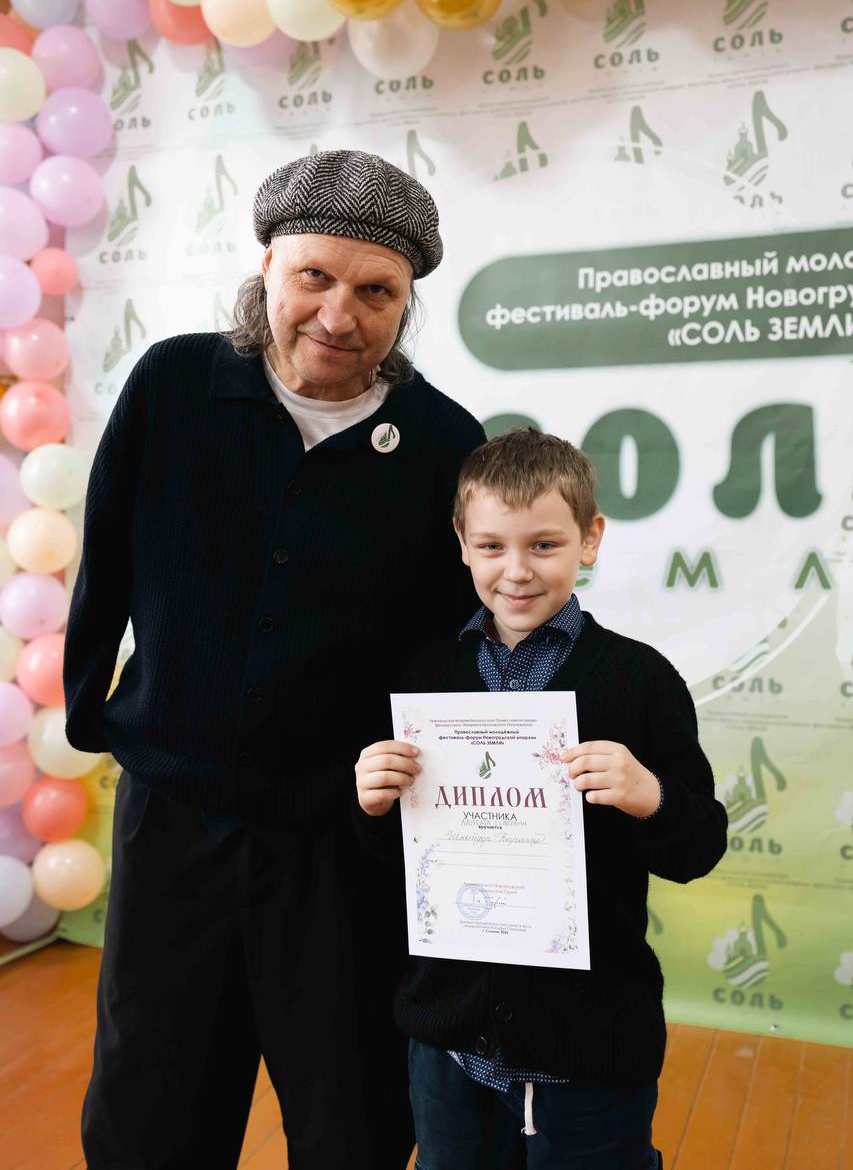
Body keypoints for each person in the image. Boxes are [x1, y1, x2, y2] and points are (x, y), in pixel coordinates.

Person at [63, 149, 485, 1170]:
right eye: (314, 277)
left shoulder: (443, 441)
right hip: (174, 817)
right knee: (150, 1107)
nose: (339, 315)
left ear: (406, 303)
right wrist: (89, 705)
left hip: (342, 839)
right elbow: (105, 548)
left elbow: (451, 646)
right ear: (267, 268)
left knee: (350, 1112)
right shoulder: (173, 382)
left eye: (376, 292)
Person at [355, 428, 728, 1170]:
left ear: (590, 539)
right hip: (450, 1043)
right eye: (491, 546)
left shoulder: (639, 680)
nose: (517, 571)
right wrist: (371, 806)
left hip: (589, 1047)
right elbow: (395, 859)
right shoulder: (424, 676)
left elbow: (700, 846)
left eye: (544, 545)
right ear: (461, 544)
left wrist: (650, 796)